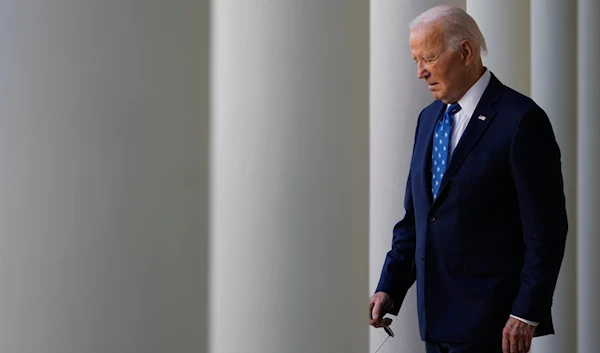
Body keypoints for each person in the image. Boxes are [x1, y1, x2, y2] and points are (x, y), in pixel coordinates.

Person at [369, 5, 568, 353]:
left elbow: (546, 230)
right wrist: (390, 286)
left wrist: (526, 312)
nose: (420, 72)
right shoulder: (428, 119)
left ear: (464, 52)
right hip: (434, 323)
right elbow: (417, 218)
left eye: (428, 57)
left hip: (493, 326)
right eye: (416, 60)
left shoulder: (521, 121)